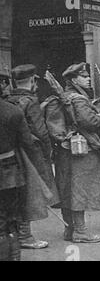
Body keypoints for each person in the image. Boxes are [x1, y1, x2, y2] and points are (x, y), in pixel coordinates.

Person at [5, 64, 60, 249]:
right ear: (33, 81)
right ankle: (26, 236)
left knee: (17, 194)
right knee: (30, 193)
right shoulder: (31, 100)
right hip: (31, 152)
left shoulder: (10, 99)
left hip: (13, 153)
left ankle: (17, 234)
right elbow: (41, 131)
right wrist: (47, 152)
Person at [54, 62, 100, 243]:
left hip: (66, 149)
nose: (88, 79)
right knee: (80, 190)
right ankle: (81, 232)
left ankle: (69, 230)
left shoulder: (65, 96)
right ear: (74, 79)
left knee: (68, 189)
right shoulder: (78, 99)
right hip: (82, 150)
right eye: (84, 76)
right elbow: (89, 122)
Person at [0, 91, 36, 261]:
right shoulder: (13, 111)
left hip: (9, 171)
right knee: (11, 221)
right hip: (11, 173)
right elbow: (27, 143)